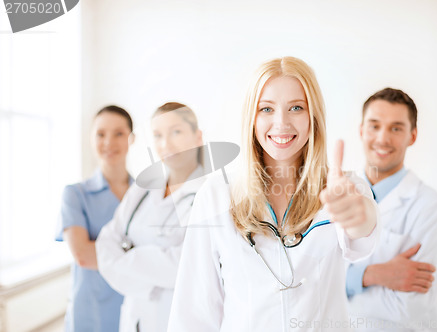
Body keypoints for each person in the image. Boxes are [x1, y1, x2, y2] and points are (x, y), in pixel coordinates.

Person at [167, 56, 379, 332]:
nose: (281, 123)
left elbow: (362, 239)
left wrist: (358, 217)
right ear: (251, 118)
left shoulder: (344, 188)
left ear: (313, 116)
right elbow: (194, 312)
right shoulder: (217, 195)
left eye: (296, 108)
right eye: (266, 109)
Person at [96, 102, 206, 332]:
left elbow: (187, 265)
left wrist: (127, 256)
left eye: (176, 132)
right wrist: (154, 276)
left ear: (197, 136)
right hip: (135, 318)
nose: (166, 144)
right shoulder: (141, 189)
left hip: (183, 321)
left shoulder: (211, 193)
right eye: (157, 135)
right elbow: (106, 244)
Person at [346, 88, 437, 331]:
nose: (383, 138)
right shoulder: (334, 196)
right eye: (374, 126)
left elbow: (410, 308)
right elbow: (311, 283)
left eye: (396, 128)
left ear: (412, 136)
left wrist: (344, 283)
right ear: (361, 130)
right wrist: (370, 275)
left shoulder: (431, 206)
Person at [56, 105, 134, 332]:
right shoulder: (75, 194)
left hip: (135, 308)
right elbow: (83, 255)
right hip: (90, 313)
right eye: (101, 134)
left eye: (118, 133)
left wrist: (106, 251)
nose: (109, 142)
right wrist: (138, 254)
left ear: (132, 138)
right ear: (91, 139)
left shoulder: (147, 194)